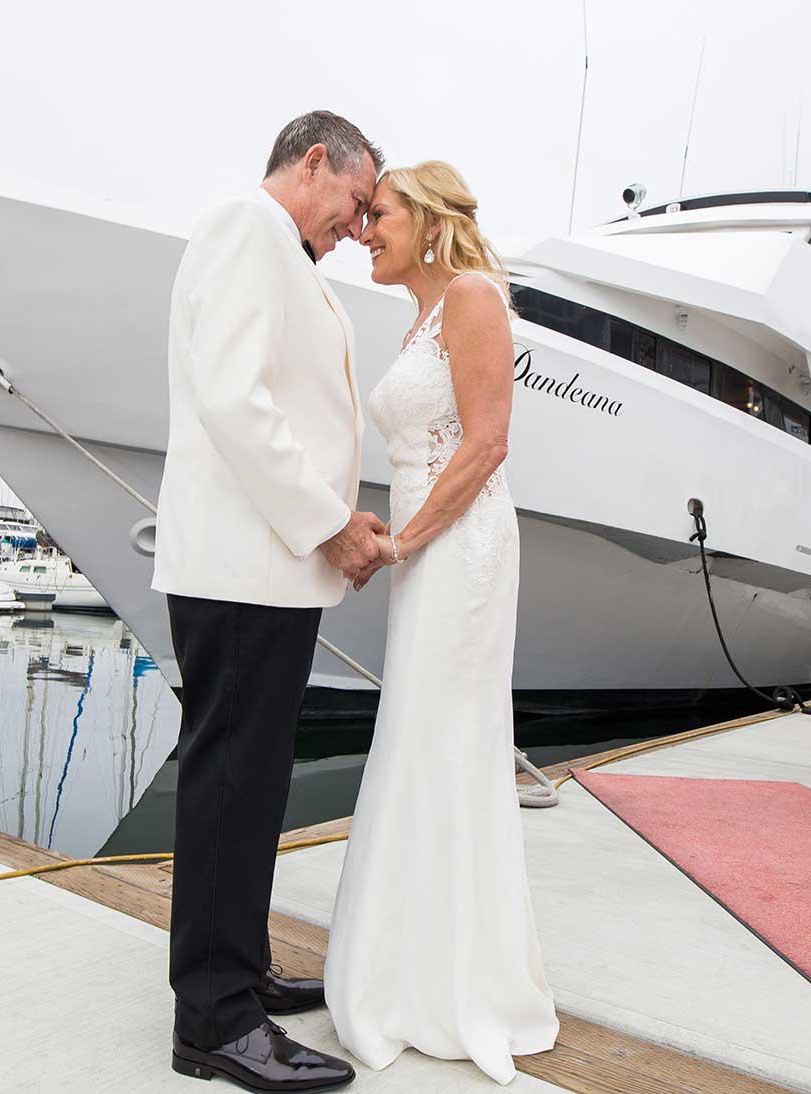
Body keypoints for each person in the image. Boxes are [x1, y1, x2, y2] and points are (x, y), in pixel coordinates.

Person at [151, 110, 384, 1091]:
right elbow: (236, 398)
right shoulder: (248, 227)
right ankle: (213, 1017)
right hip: (247, 566)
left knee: (251, 781)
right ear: (314, 160)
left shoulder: (273, 246)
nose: (359, 224)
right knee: (232, 784)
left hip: (261, 567)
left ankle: (234, 973)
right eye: (355, 200)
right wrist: (330, 521)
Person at [323, 162, 559, 1085]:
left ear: (425, 219)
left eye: (377, 215)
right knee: (418, 742)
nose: (364, 229)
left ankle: (454, 983)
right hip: (428, 548)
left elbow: (489, 440)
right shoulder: (422, 315)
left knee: (445, 742)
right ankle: (407, 970)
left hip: (458, 551)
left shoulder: (470, 296)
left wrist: (403, 543)